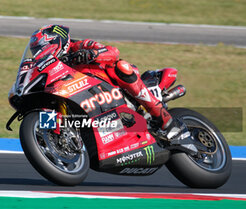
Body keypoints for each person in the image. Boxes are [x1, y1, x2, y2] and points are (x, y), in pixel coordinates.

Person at [29, 24, 186, 141]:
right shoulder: (54, 68)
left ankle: (164, 119)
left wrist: (92, 53)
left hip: (113, 87)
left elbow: (113, 52)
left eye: (41, 48)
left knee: (121, 66)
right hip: (92, 103)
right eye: (36, 51)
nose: (39, 53)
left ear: (57, 41)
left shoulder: (80, 46)